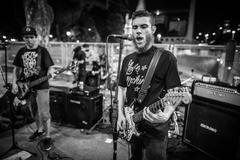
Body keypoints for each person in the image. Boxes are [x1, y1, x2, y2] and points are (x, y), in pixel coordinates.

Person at [117, 10, 181, 160]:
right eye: (135, 27)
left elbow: (176, 92)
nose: (138, 31)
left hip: (155, 129)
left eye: (143, 26)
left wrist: (167, 114)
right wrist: (120, 114)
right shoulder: (127, 59)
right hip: (132, 122)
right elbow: (121, 87)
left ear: (152, 29)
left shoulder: (166, 58)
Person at [11, 26, 56, 150]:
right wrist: (14, 83)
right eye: (27, 37)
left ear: (36, 38)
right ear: (23, 39)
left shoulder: (42, 51)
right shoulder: (21, 51)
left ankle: (47, 137)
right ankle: (39, 130)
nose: (29, 40)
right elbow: (16, 68)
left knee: (44, 113)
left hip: (42, 86)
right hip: (27, 87)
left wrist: (51, 75)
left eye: (31, 37)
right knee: (34, 112)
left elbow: (50, 67)